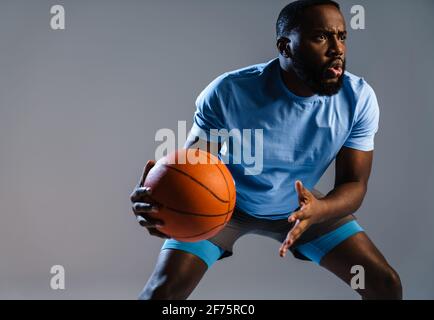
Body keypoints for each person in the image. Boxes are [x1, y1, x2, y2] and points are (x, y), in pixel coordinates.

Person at [131, 0, 402, 299]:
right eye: (320, 37)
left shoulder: (359, 99)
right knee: (161, 293)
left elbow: (354, 185)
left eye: (342, 36)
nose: (337, 49)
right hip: (225, 204)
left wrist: (318, 209)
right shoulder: (229, 91)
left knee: (384, 285)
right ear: (285, 47)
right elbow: (194, 164)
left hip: (304, 207)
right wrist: (160, 196)